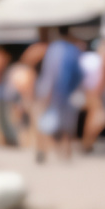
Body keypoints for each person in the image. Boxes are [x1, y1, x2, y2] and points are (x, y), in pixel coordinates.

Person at [34, 30, 82, 164]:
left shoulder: (55, 48)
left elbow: (52, 73)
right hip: (70, 93)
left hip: (54, 92)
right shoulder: (74, 50)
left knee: (44, 124)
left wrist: (47, 94)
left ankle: (42, 152)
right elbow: (80, 74)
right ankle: (66, 153)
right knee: (66, 126)